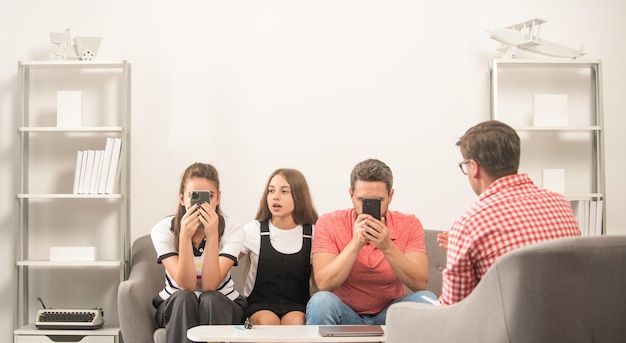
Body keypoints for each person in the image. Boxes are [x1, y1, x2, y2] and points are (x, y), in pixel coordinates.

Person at [437, 120, 581, 305]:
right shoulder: (561, 203)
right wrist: (467, 253)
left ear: (474, 167)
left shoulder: (469, 223)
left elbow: (453, 309)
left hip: (510, 331)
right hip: (570, 325)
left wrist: (463, 247)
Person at [306, 158, 436, 325]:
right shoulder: (329, 222)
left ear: (391, 196)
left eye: (378, 201)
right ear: (351, 195)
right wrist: (355, 244)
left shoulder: (409, 224)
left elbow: (420, 283)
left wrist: (388, 246)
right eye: (362, 200)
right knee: (320, 302)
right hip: (345, 313)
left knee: (427, 299)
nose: (368, 208)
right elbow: (324, 284)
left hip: (389, 314)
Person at [151, 162, 246, 343]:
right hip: (176, 302)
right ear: (181, 198)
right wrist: (185, 238)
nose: (202, 204)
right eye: (194, 196)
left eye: (209, 196)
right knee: (184, 299)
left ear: (218, 198)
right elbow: (186, 285)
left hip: (222, 302)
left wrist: (212, 237)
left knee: (211, 299)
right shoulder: (163, 230)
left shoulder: (233, 230)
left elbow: (210, 285)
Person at [240, 168, 319, 325]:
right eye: (271, 191)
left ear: (299, 196)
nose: (275, 196)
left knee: (296, 321)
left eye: (284, 191)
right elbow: (224, 259)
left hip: (298, 307)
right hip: (258, 306)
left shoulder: (313, 233)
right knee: (267, 320)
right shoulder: (253, 229)